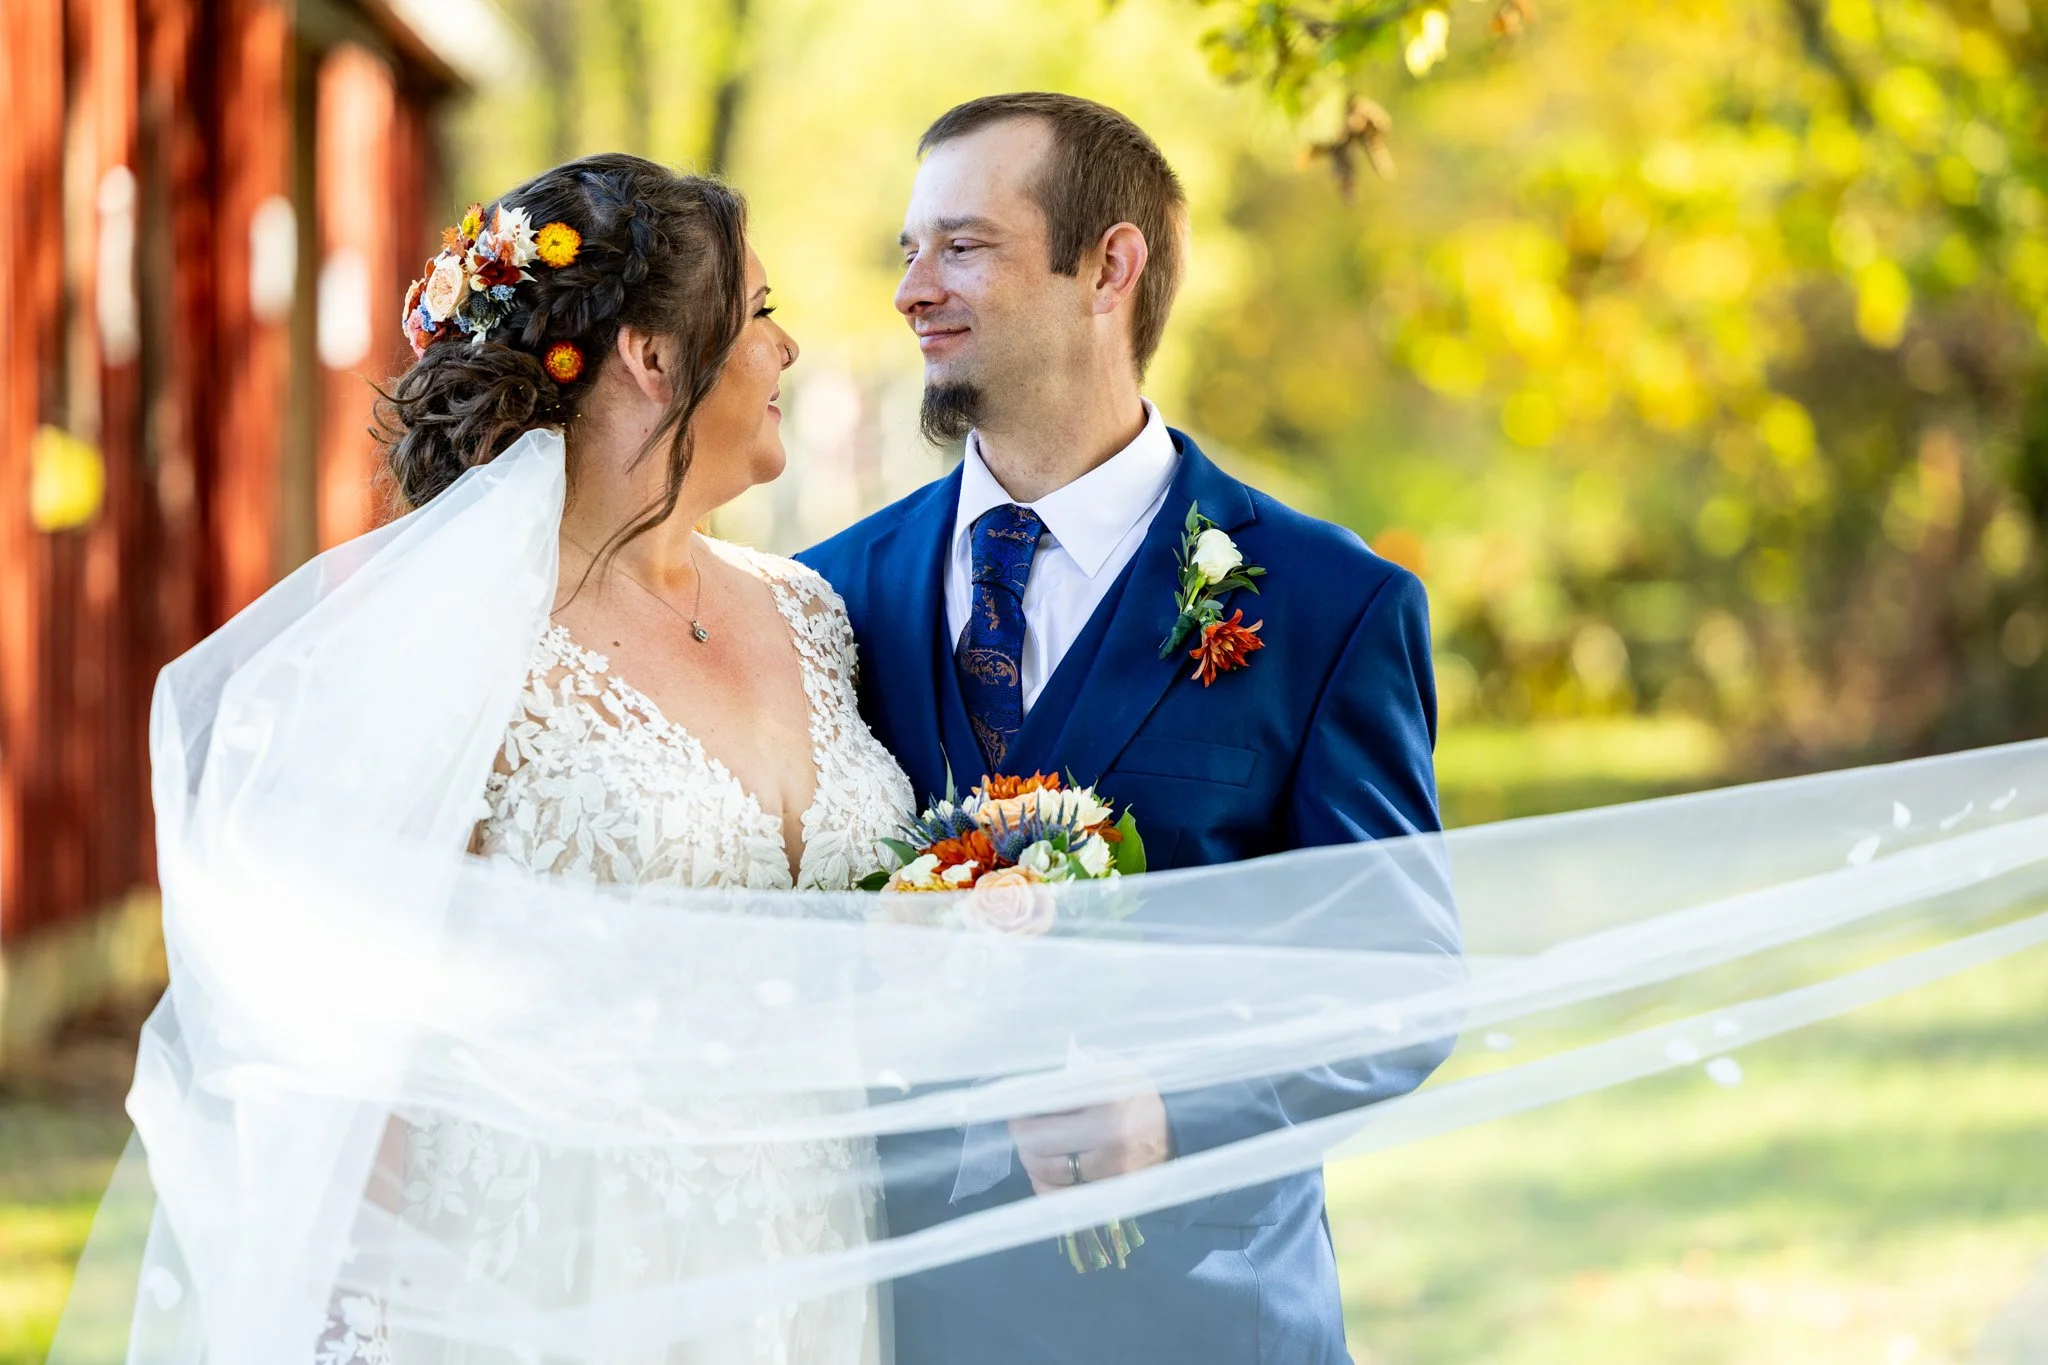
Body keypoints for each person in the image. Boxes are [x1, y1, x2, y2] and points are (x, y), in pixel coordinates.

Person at [799, 93, 1457, 1365]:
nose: (912, 291)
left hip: (1197, 1320)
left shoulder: (1333, 608)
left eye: (962, 246)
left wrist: (1175, 1116)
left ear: (1109, 266)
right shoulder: (827, 596)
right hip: (894, 1325)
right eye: (905, 250)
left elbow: (1399, 984)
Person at [328, 151, 914, 1364]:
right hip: (561, 1277)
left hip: (813, 1268)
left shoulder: (811, 613)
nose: (784, 348)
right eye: (756, 315)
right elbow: (354, 1042)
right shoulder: (456, 645)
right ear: (652, 355)